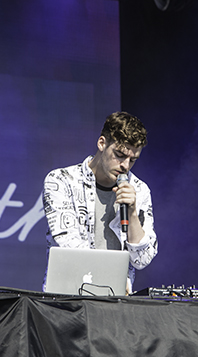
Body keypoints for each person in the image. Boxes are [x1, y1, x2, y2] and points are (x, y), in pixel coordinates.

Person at [42, 111, 158, 293]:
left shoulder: (139, 190)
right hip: (67, 297)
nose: (125, 166)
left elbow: (142, 259)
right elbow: (70, 245)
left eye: (132, 160)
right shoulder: (61, 180)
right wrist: (110, 279)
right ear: (102, 143)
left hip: (116, 300)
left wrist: (132, 213)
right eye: (120, 155)